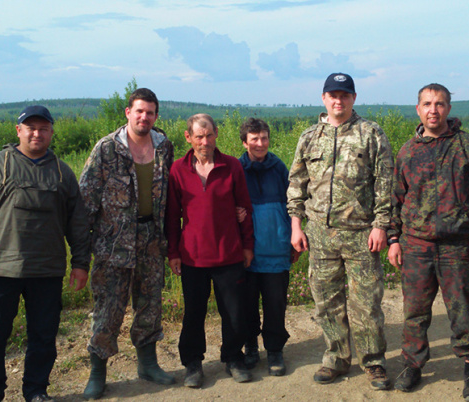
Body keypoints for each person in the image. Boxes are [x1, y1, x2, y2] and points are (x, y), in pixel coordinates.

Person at [0, 105, 91, 402]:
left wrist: (81, 264)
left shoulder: (62, 172)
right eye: (30, 127)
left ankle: (36, 390)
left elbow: (78, 224)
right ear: (18, 130)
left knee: (43, 338)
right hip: (0, 269)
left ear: (51, 133)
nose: (37, 133)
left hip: (47, 271)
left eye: (43, 128)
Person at [388, 83, 469, 401]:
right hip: (416, 246)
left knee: (463, 311)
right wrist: (393, 239)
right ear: (418, 109)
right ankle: (412, 365)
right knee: (414, 311)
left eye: (439, 104)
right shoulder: (407, 151)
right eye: (427, 103)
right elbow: (395, 200)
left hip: (458, 246)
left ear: (448, 109)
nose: (433, 109)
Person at [287, 73, 394, 389]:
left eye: (344, 95)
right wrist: (296, 225)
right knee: (326, 302)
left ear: (354, 98)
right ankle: (336, 358)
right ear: (323, 99)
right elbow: (297, 183)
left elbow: (385, 182)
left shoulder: (370, 134)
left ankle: (373, 362)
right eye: (333, 94)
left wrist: (381, 225)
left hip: (362, 233)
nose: (338, 100)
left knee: (366, 303)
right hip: (320, 233)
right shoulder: (309, 137)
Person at [78, 88, 175, 399]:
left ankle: (147, 364)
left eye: (150, 112)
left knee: (150, 306)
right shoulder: (107, 149)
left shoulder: (164, 148)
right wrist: (81, 253)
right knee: (108, 310)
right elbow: (86, 202)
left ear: (156, 116)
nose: (144, 117)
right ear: (127, 113)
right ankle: (97, 373)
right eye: (139, 111)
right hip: (113, 243)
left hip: (151, 241)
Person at [166, 113, 255, 387]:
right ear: (188, 137)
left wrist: (247, 245)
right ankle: (193, 363)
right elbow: (172, 216)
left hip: (229, 252)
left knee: (233, 311)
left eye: (209, 136)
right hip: (192, 255)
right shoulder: (178, 170)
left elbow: (245, 207)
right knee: (194, 312)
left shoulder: (231, 167)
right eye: (199, 137)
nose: (205, 142)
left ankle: (233, 358)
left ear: (216, 134)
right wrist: (173, 253)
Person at [238, 117, 298, 377]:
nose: (260, 143)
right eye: (254, 139)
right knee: (247, 303)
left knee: (275, 304)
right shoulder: (236, 169)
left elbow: (293, 205)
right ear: (245, 142)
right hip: (248, 252)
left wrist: (294, 239)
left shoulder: (279, 168)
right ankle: (250, 345)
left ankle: (274, 349)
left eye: (264, 138)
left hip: (276, 247)